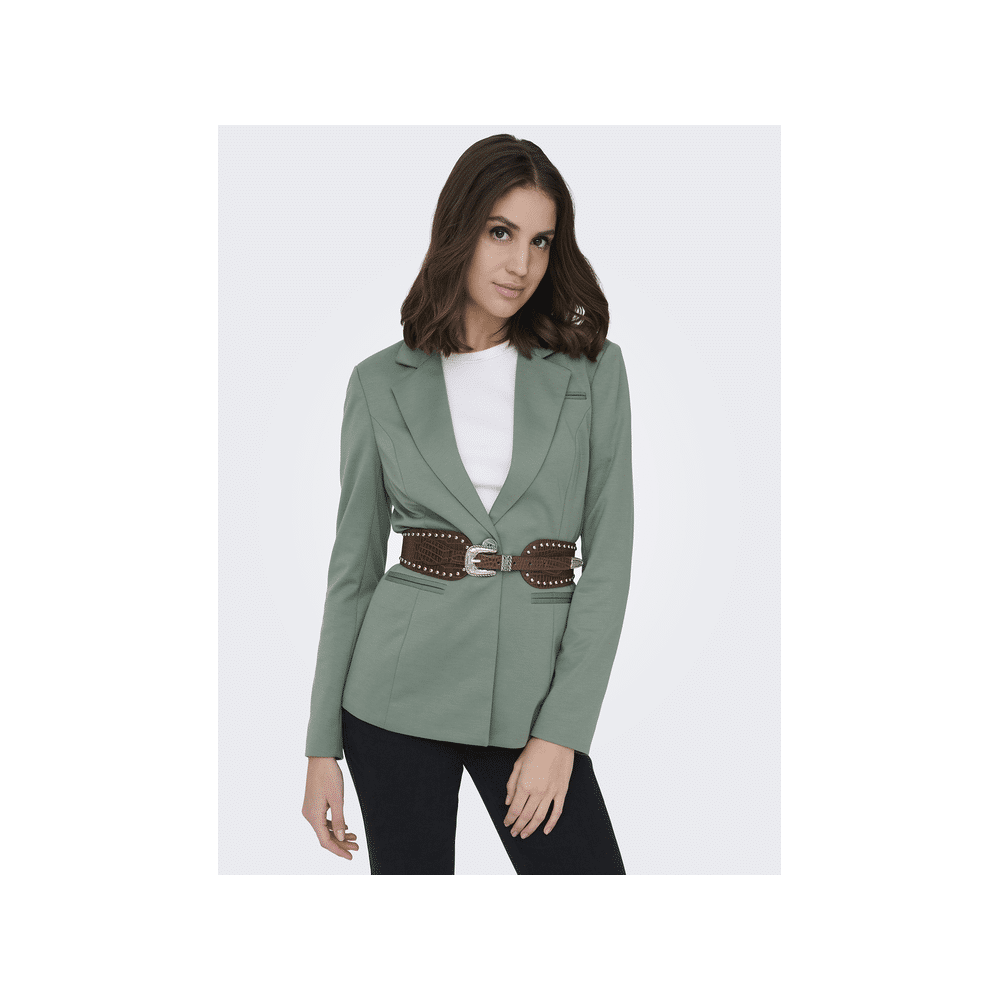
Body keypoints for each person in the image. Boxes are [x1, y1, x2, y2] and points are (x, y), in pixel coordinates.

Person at [301, 134, 634, 874]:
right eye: (501, 233)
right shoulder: (378, 383)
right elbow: (352, 569)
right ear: (459, 230)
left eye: (541, 241)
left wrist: (562, 733)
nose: (522, 265)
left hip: (532, 699)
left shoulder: (592, 371)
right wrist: (322, 747)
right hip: (392, 697)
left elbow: (609, 562)